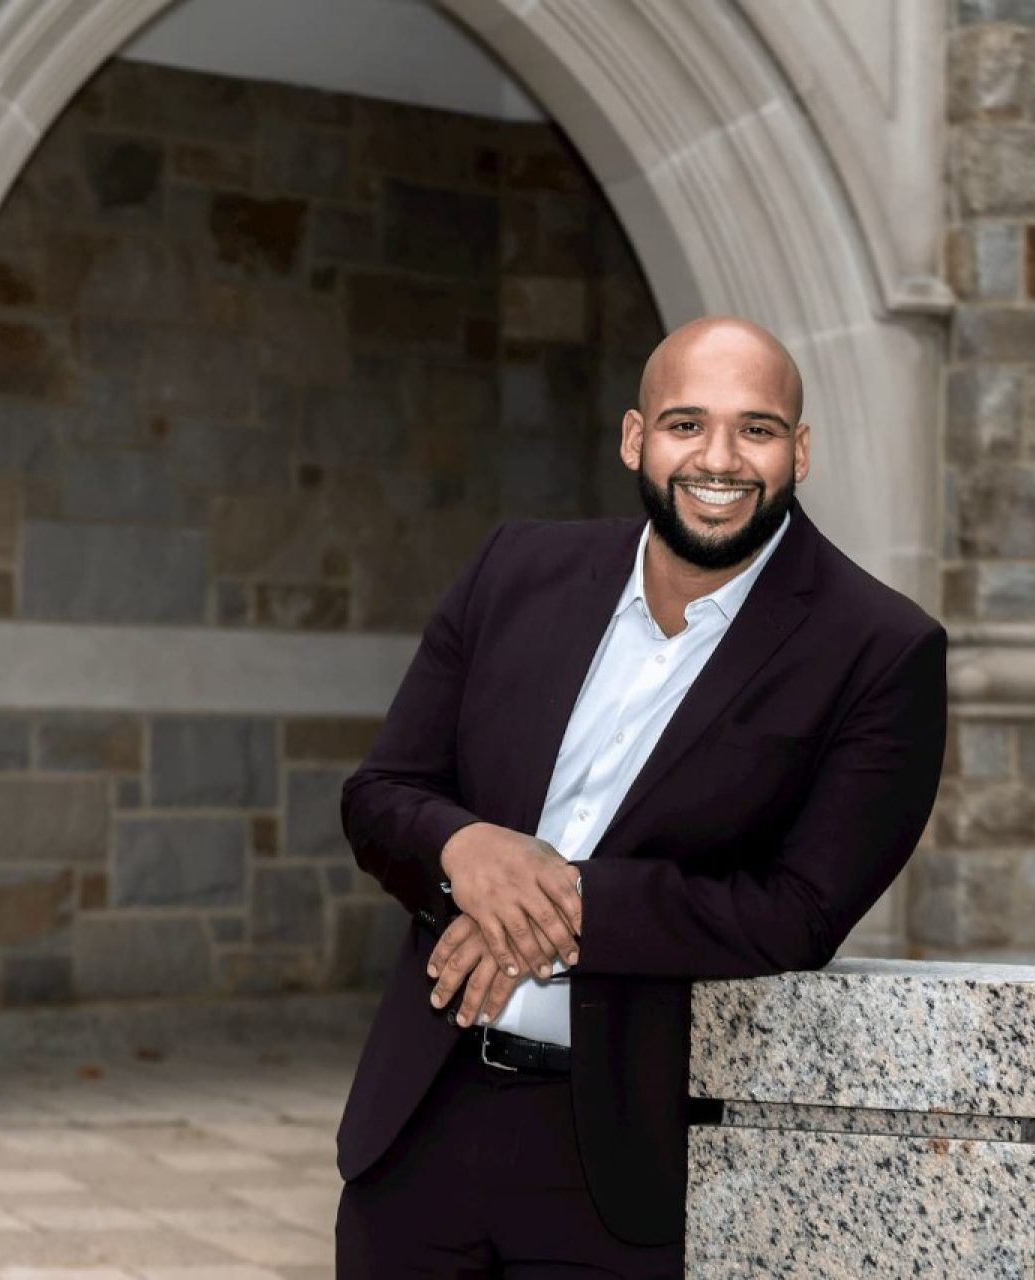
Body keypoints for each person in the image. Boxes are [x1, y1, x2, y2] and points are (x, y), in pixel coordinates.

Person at [333, 315, 948, 1277]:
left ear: (802, 449)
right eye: (686, 424)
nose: (720, 458)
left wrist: (560, 903)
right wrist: (468, 853)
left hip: (627, 1158)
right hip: (421, 1122)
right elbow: (382, 795)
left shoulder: (880, 648)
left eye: (757, 428)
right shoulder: (512, 572)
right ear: (635, 438)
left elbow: (802, 911)